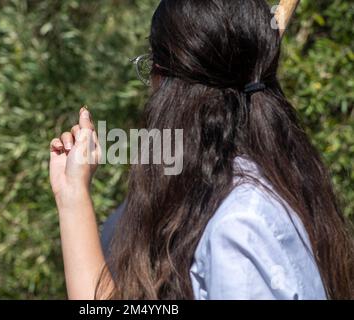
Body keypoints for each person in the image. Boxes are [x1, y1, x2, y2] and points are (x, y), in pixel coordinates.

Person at [49, 0, 354, 299]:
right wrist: (72, 194)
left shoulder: (240, 225)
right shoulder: (211, 200)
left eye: (152, 68)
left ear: (168, 84)